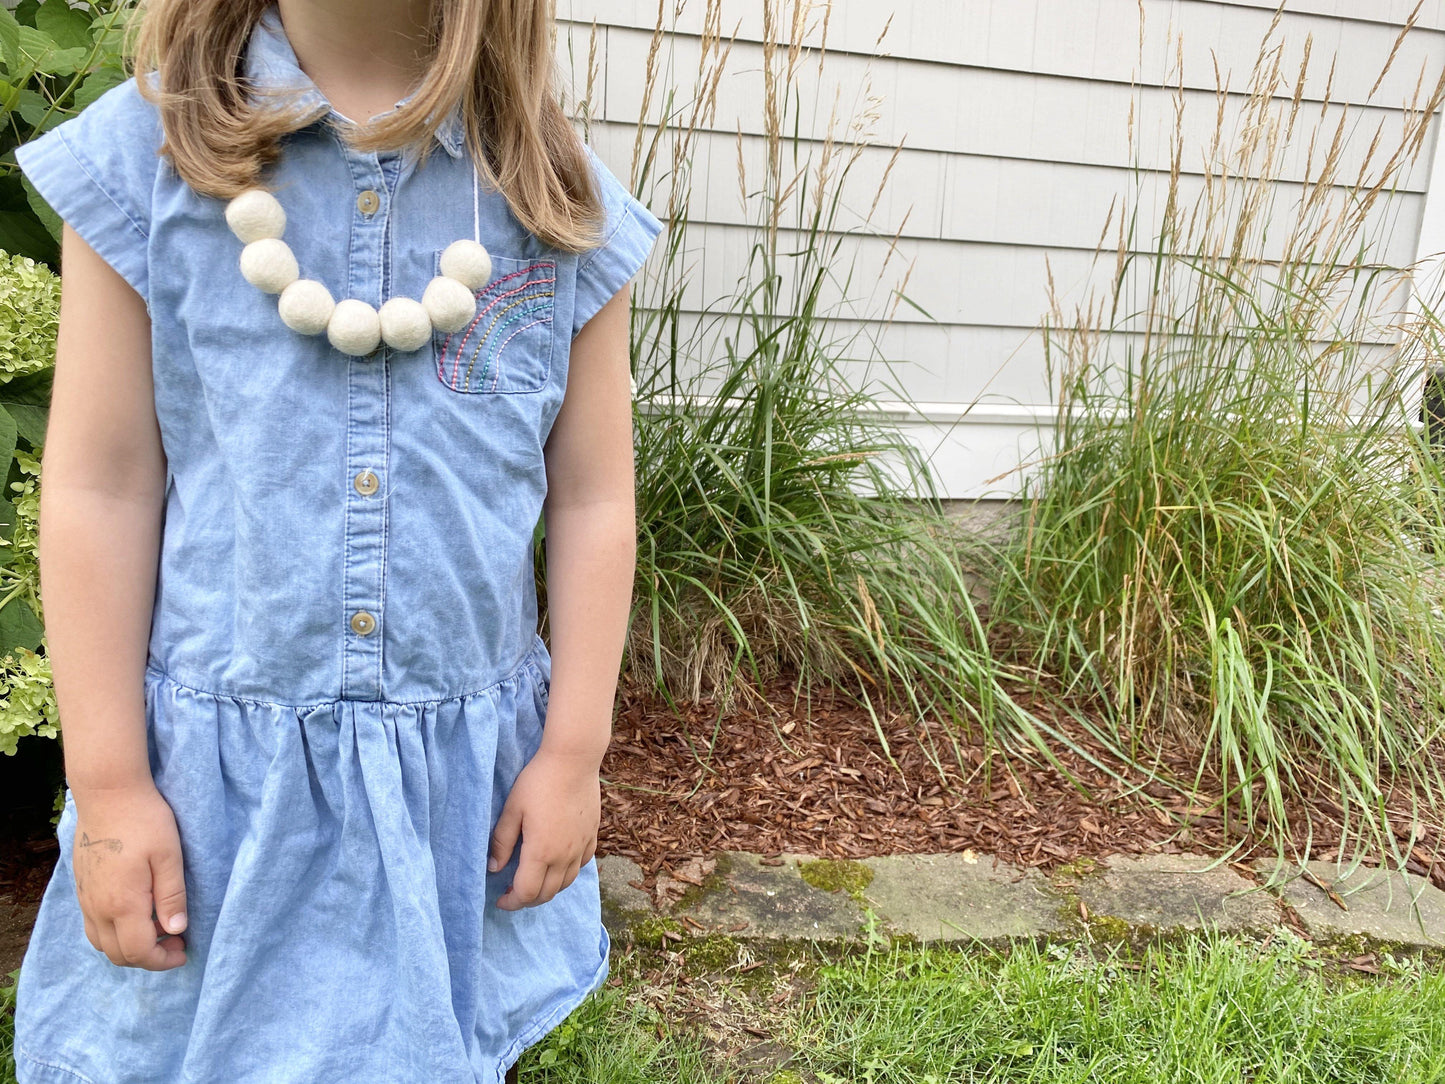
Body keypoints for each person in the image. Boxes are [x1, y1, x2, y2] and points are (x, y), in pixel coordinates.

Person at [8, 0, 663, 1079]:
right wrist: (113, 783)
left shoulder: (555, 195)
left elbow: (593, 495)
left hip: (452, 799)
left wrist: (571, 753)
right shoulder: (150, 158)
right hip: (218, 791)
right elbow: (102, 484)